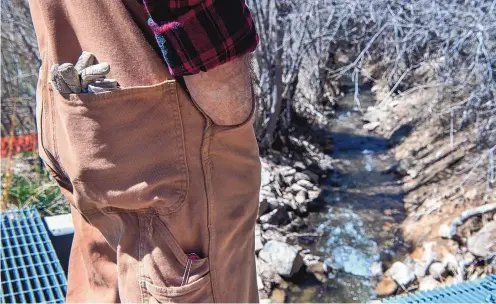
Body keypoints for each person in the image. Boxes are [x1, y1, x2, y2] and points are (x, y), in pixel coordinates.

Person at [28, 0, 261, 302]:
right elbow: (196, 20)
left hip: (74, 114)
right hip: (171, 150)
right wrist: (231, 127)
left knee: (104, 271)